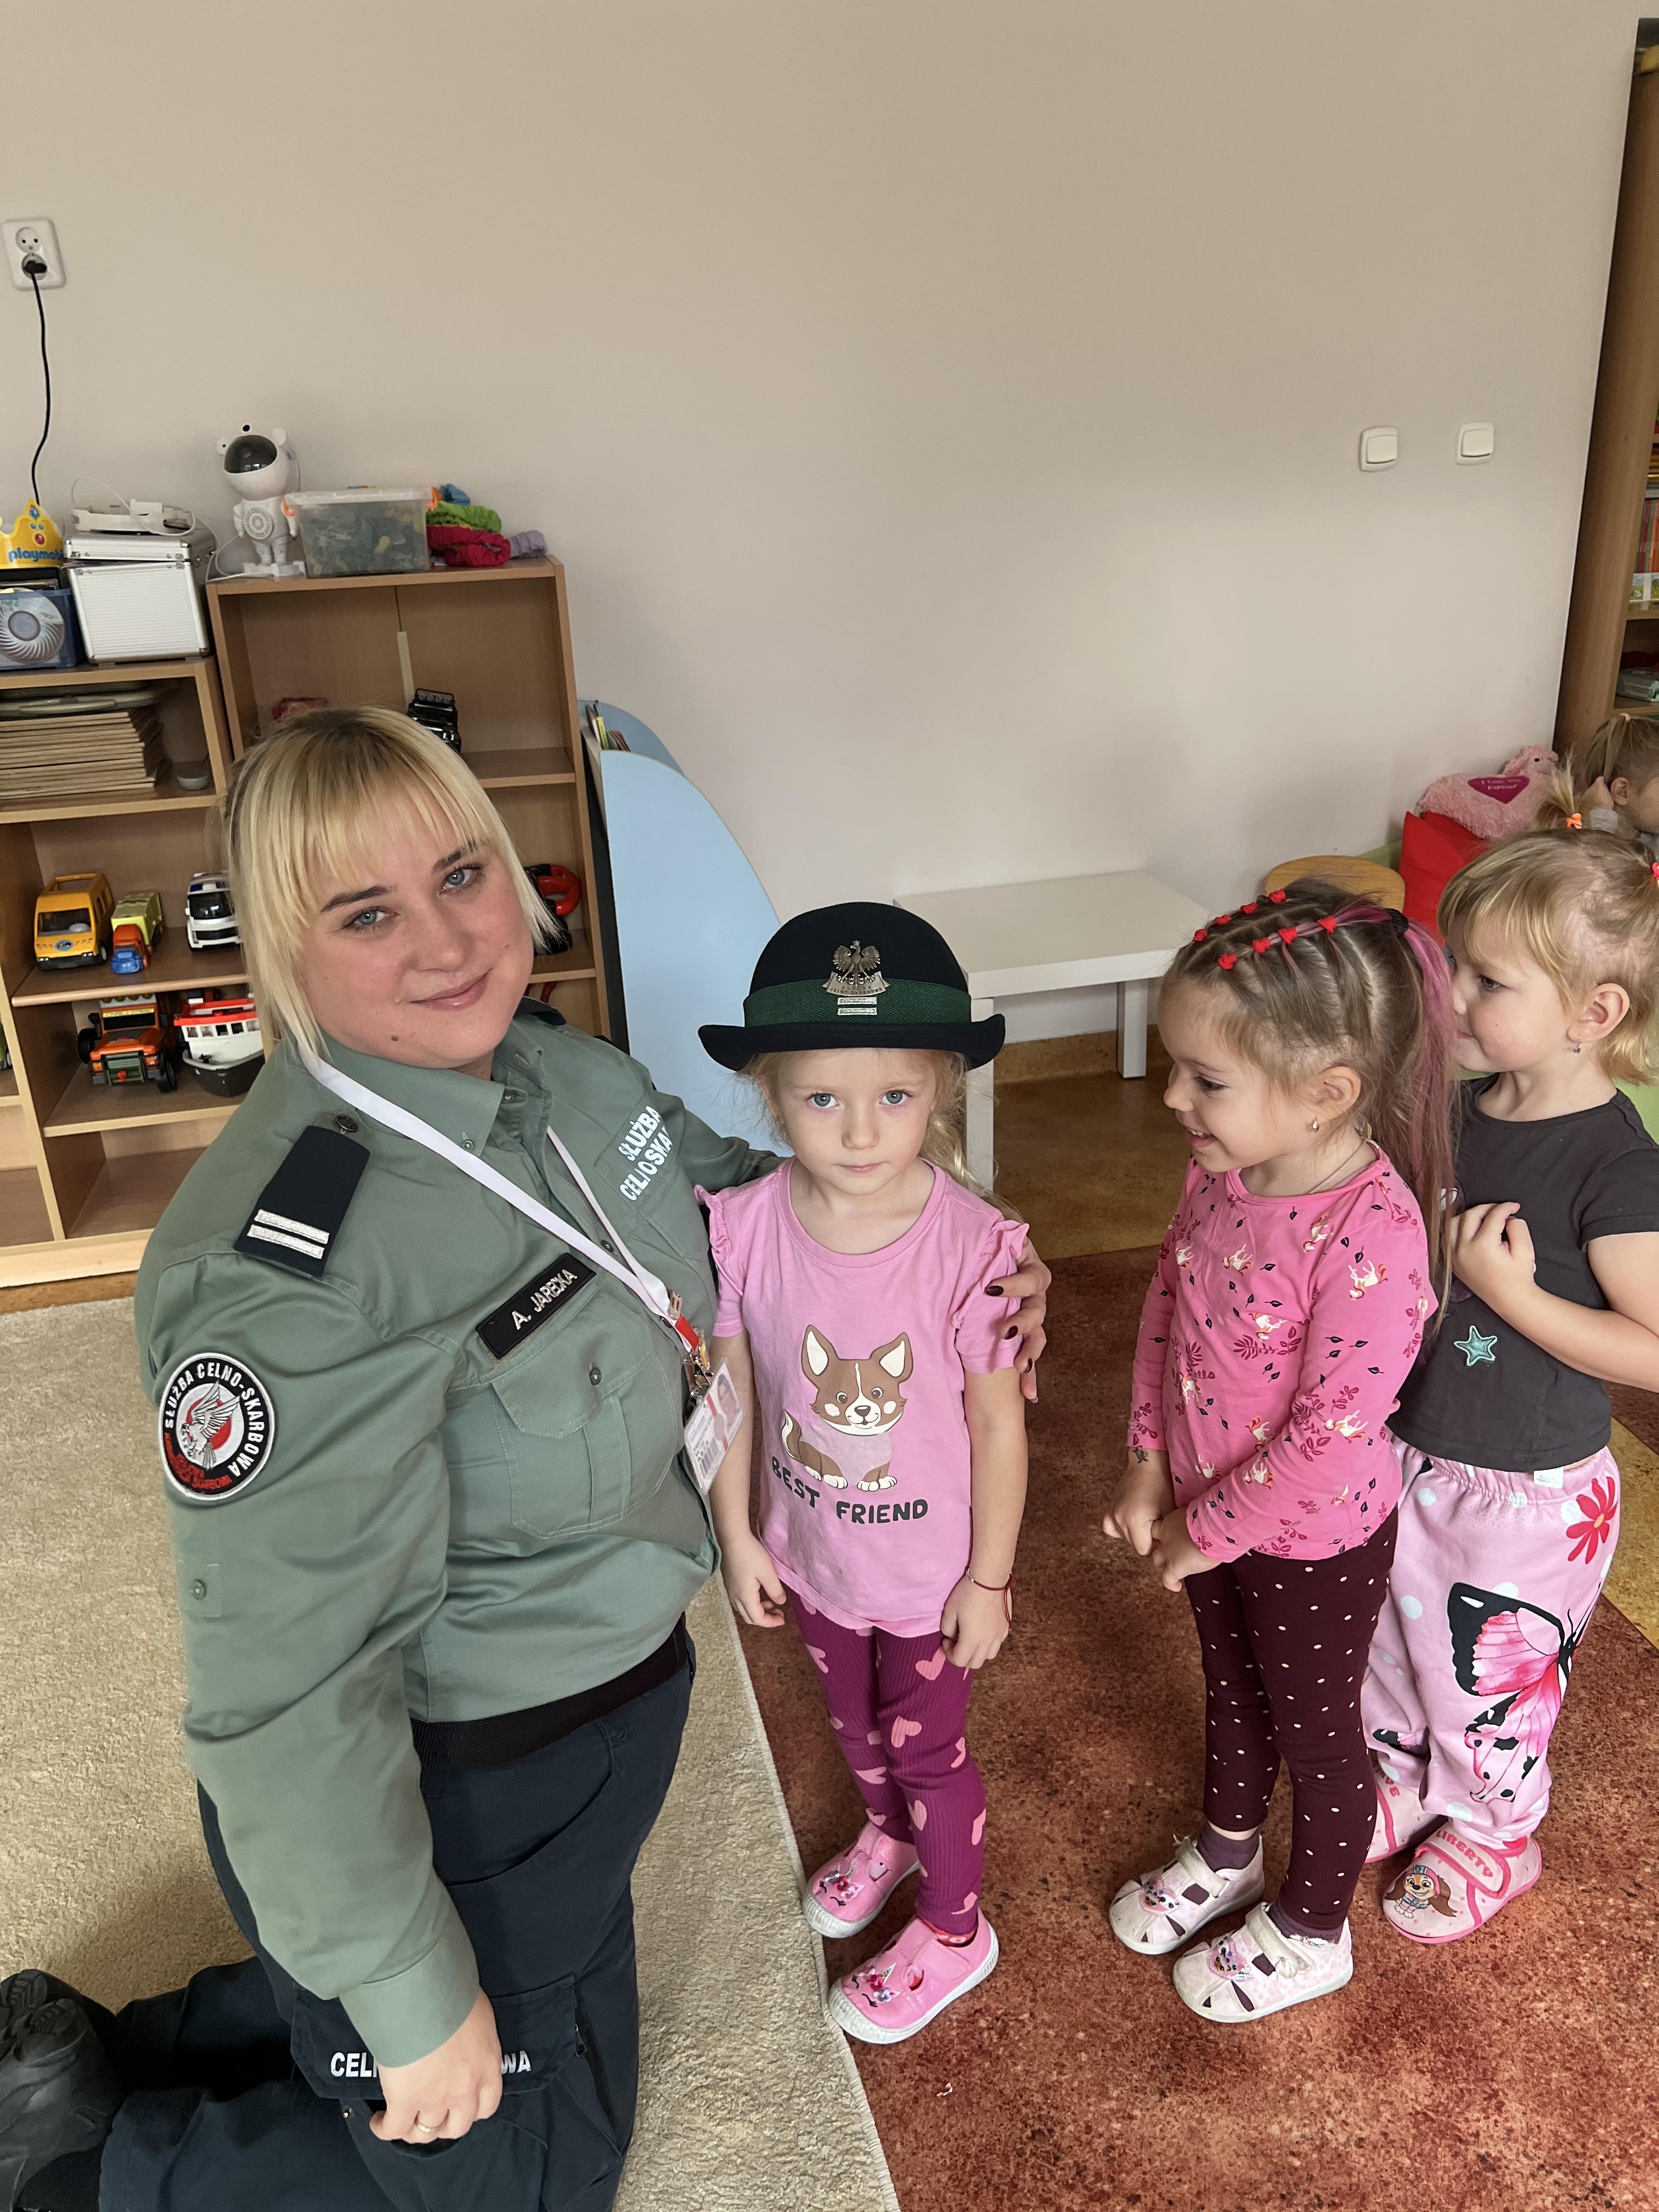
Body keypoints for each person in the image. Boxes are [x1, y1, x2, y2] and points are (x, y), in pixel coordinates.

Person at [0, 712, 1051, 2212]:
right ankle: (80, 2159)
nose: (447, 943)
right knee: (534, 2183)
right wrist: (408, 1996)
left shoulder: (568, 1074)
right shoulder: (286, 1270)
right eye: (367, 914)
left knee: (559, 2063)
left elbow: (765, 1203)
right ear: (282, 953)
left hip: (598, 1726)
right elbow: (284, 1694)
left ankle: (138, 2045)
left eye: (462, 874)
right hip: (468, 1774)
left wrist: (955, 1260)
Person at [1103, 882, 1454, 2022]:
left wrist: (1203, 1531)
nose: (1172, 1098)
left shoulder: (1373, 1232)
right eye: (1176, 1068)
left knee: (1316, 1732)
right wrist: (1148, 1460)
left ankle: (1313, 1927)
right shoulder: (1219, 1170)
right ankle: (1228, 1850)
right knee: (1230, 1687)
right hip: (1202, 1512)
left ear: (1325, 1095)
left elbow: (1329, 1434)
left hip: (1310, 1542)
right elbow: (1168, 1306)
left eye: (1205, 1079)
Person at [697, 906, 1029, 2044]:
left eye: (892, 1095)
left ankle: (954, 1927)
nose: (855, 1130)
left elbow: (997, 1424)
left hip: (933, 1576)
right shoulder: (741, 1227)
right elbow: (730, 1387)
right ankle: (886, 1835)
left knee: (925, 1747)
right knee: (853, 1727)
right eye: (819, 1099)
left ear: (940, 1089)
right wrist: (738, 1533)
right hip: (813, 1554)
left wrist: (988, 1578)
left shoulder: (973, 1245)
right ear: (770, 1094)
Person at [1362, 799, 1659, 1941]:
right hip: (1410, 1444)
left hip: (1527, 1492)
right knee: (1387, 1638)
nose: (1450, 997)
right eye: (1453, 966)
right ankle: (1402, 1777)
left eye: (1487, 981)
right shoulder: (1450, 1107)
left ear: (1593, 1013)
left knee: (1483, 1681)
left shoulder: (1616, 1171)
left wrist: (1514, 1293)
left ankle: (1494, 1832)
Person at [1560, 709, 1659, 860]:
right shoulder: (1579, 833)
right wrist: (1601, 818)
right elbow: (1601, 868)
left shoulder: (1651, 832)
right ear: (1622, 792)